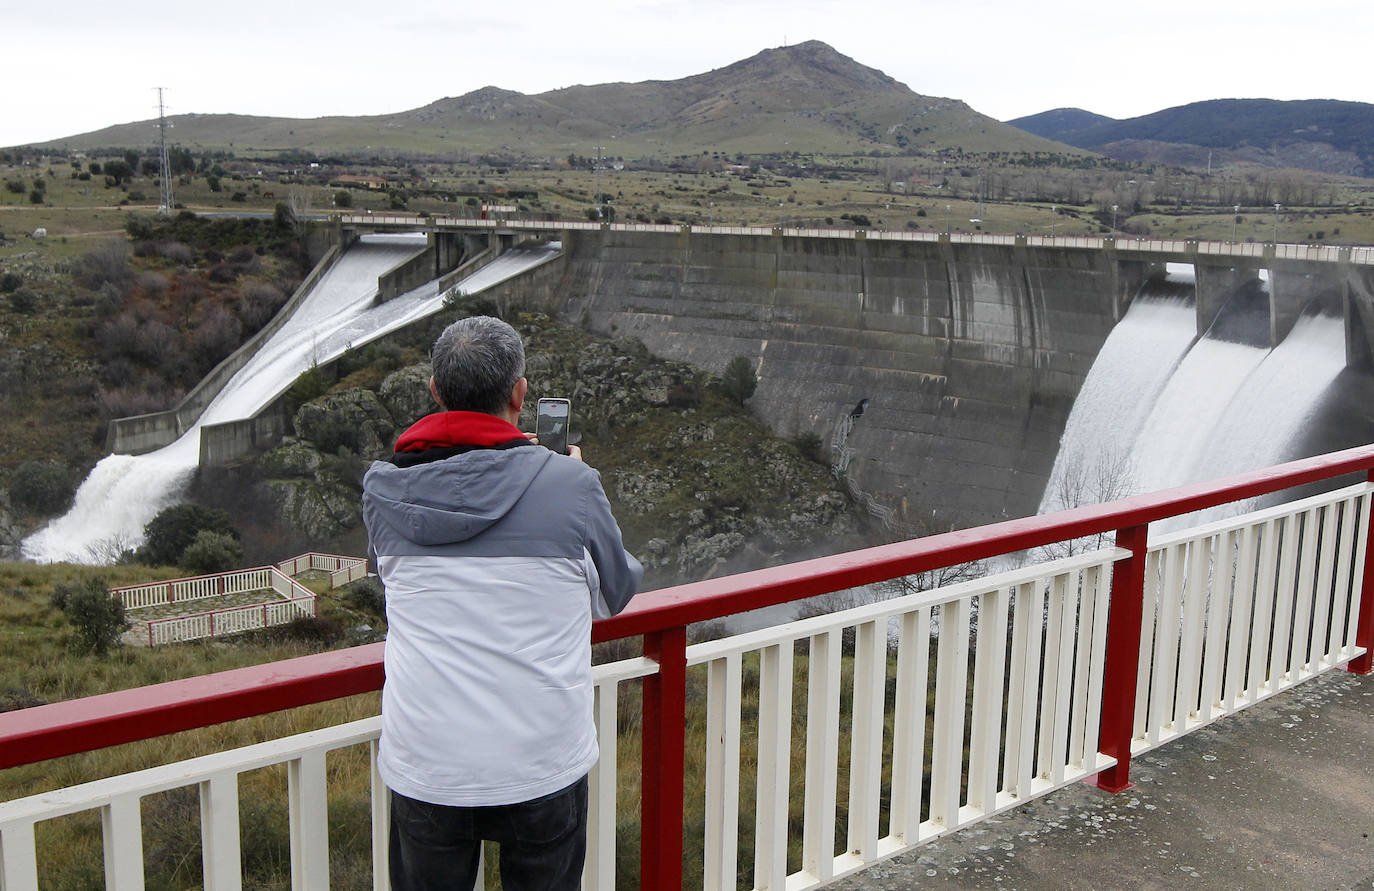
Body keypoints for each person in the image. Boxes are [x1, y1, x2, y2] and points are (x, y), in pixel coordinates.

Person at [361, 315, 643, 891]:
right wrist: (571, 479)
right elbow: (616, 591)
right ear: (520, 393)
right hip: (540, 760)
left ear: (436, 393)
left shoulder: (382, 489)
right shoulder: (571, 484)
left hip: (428, 763)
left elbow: (397, 586)